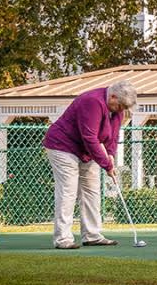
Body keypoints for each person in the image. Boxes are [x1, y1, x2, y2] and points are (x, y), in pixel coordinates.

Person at [43, 80, 138, 249]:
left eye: (125, 107)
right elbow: (89, 137)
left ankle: (92, 235)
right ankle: (63, 238)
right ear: (113, 96)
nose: (121, 110)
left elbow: (113, 137)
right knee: (68, 191)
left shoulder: (117, 110)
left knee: (92, 190)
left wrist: (110, 155)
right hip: (63, 146)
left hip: (85, 151)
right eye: (121, 105)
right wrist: (106, 165)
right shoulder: (92, 101)